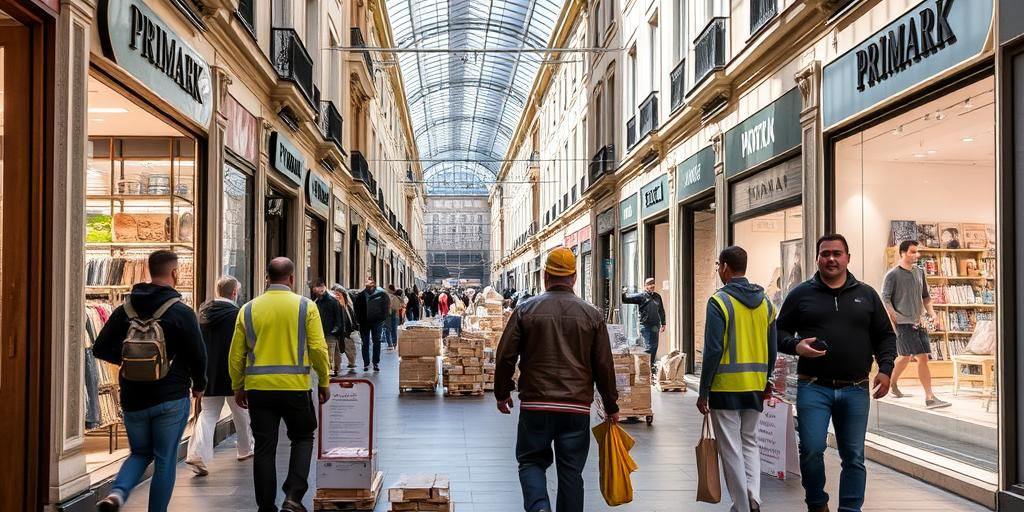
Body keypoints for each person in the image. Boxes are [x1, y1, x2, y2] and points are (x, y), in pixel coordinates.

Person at [777, 234, 897, 512]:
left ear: (847, 258)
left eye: (837, 253)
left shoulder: (867, 295)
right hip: (813, 387)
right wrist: (795, 345)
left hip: (855, 388)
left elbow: (885, 336)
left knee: (853, 455)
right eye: (825, 253)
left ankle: (851, 509)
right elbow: (777, 332)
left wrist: (886, 369)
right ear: (817, 258)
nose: (831, 258)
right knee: (811, 450)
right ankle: (817, 502)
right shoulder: (801, 294)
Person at [494, 247, 620, 512]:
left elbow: (505, 356)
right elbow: (603, 366)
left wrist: (502, 392)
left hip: (536, 405)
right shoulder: (592, 315)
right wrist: (611, 405)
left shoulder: (526, 310)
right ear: (574, 277)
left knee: (531, 461)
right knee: (571, 471)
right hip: (575, 408)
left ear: (545, 276)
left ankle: (539, 507)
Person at [93, 250, 207, 512]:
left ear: (148, 270)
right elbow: (198, 355)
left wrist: (129, 361)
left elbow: (100, 348)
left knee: (140, 453)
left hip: (133, 397)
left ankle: (117, 495)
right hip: (171, 395)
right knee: (165, 459)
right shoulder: (181, 312)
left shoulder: (125, 310)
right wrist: (199, 384)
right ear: (175, 273)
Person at [228, 257, 331, 512]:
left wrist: (238, 385)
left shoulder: (248, 309)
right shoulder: (305, 307)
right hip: (295, 388)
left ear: (267, 277)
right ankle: (293, 498)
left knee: (264, 447)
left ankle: (265, 505)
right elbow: (318, 348)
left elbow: (235, 354)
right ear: (292, 279)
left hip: (259, 390)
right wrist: (324, 381)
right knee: (303, 437)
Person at [696, 246, 776, 512]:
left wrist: (703, 390)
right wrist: (767, 381)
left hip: (725, 388)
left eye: (719, 265)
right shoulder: (766, 303)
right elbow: (772, 348)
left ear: (726, 267)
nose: (718, 270)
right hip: (755, 385)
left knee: (730, 450)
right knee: (750, 442)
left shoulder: (719, 301)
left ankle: (742, 507)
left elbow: (713, 350)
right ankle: (754, 497)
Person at [186, 276, 254, 477]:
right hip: (232, 373)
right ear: (234, 293)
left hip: (207, 373)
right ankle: (245, 449)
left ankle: (197, 453)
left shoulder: (201, 314)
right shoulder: (238, 314)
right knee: (241, 413)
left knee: (207, 415)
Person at [883, 240, 950, 409]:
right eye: (913, 252)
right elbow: (885, 298)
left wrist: (933, 314)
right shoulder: (892, 275)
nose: (917, 255)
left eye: (917, 251)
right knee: (923, 358)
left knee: (905, 356)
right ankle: (930, 397)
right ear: (903, 253)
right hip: (903, 323)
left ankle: (891, 384)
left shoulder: (920, 272)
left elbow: (926, 297)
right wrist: (895, 316)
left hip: (919, 322)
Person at [621, 277, 667, 373]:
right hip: (645, 325)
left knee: (654, 346)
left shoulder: (657, 296)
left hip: (655, 325)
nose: (651, 287)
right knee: (650, 346)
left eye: (653, 285)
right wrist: (623, 292)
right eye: (649, 285)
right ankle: (640, 365)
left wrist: (663, 323)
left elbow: (661, 310)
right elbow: (626, 300)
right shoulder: (641, 296)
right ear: (645, 286)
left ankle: (649, 366)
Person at [354, 277, 390, 371]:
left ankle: (375, 363)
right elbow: (356, 309)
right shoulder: (361, 295)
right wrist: (359, 320)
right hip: (364, 323)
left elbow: (386, 307)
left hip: (377, 322)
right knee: (365, 343)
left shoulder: (382, 294)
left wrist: (383, 318)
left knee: (376, 342)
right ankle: (366, 363)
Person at [312, 277, 343, 375]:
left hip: (330, 332)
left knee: (330, 353)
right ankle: (334, 369)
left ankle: (330, 371)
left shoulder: (332, 301)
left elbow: (339, 318)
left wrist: (335, 330)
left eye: (316, 287)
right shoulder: (317, 301)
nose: (315, 290)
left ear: (323, 287)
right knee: (331, 352)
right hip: (322, 331)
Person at [331, 284, 360, 372]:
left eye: (339, 295)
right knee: (337, 349)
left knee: (348, 347)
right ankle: (338, 365)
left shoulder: (346, 305)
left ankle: (350, 362)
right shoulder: (336, 304)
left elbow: (350, 316)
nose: (337, 296)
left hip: (346, 330)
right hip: (338, 330)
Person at [386, 285, 404, 350]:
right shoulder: (397, 297)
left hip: (388, 314)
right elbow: (401, 305)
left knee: (388, 329)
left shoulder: (386, 295)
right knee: (394, 329)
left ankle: (390, 344)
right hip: (395, 314)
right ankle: (394, 343)